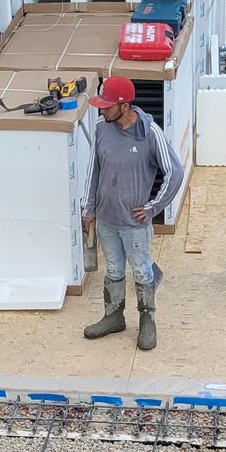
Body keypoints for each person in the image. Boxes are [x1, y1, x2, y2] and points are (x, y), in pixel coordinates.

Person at [80, 75, 184, 351]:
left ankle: (147, 321)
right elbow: (94, 170)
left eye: (106, 105)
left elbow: (175, 172)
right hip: (106, 219)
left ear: (124, 106)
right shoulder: (103, 128)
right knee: (113, 269)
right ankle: (114, 316)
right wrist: (88, 208)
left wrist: (153, 207)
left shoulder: (150, 133)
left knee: (141, 270)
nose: (101, 110)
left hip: (133, 223)